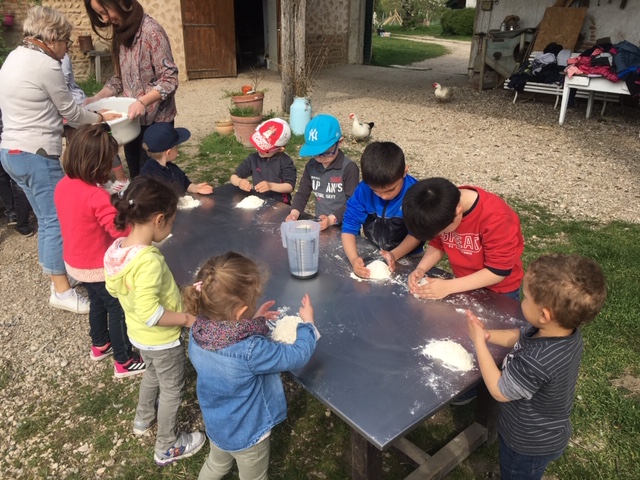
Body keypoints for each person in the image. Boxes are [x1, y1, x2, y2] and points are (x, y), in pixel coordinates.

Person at [0, 6, 120, 314]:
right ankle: (62, 291)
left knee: (45, 217)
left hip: (10, 152)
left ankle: (57, 274)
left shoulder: (13, 57)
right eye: (65, 42)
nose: (66, 49)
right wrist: (100, 118)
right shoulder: (45, 65)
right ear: (52, 38)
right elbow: (71, 111)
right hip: (37, 153)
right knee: (55, 221)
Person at [466, 254, 607, 480]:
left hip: (527, 442)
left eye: (526, 298)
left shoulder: (536, 361)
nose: (522, 301)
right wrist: (487, 335)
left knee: (517, 473)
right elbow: (519, 337)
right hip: (547, 430)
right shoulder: (564, 334)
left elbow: (499, 390)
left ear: (544, 315)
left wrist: (478, 343)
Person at [184, 252, 319, 480]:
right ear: (239, 313)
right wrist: (307, 325)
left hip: (217, 423)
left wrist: (254, 321)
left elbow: (230, 332)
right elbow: (296, 355)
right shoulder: (251, 350)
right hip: (248, 433)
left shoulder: (197, 333)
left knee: (216, 465)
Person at [104, 176, 205, 465]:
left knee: (151, 374)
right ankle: (167, 445)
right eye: (172, 222)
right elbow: (152, 313)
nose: (171, 227)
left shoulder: (117, 250)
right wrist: (186, 318)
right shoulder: (148, 260)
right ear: (159, 220)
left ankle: (142, 419)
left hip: (138, 335)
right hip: (162, 339)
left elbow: (115, 289)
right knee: (172, 388)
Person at [54, 124, 145, 377]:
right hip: (97, 266)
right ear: (97, 165)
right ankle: (124, 359)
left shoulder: (64, 184)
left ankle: (100, 343)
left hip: (74, 261)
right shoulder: (96, 196)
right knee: (117, 307)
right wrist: (135, 224)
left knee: (98, 302)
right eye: (108, 163)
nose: (111, 169)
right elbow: (118, 230)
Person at [84, 0, 180, 179]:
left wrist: (142, 102)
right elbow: (120, 79)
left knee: (154, 180)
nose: (105, 19)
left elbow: (170, 79)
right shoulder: (122, 34)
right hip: (131, 123)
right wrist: (97, 97)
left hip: (156, 121)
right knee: (137, 175)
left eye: (105, 11)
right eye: (99, 14)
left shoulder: (152, 32)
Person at [403, 177, 524, 301]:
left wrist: (448, 287)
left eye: (443, 232)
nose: (443, 235)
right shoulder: (442, 208)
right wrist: (421, 268)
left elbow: (498, 271)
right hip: (463, 283)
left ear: (458, 212)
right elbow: (438, 243)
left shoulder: (497, 218)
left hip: (499, 291)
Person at [341, 141, 422, 278]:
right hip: (374, 251)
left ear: (404, 172)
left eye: (391, 190)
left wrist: (394, 255)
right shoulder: (364, 190)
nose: (384, 196)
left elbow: (417, 233)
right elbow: (349, 226)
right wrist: (354, 259)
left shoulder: (416, 194)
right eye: (376, 191)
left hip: (411, 256)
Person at [61, 52, 130, 193]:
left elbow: (62, 82)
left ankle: (121, 180)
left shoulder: (60, 56)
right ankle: (97, 179)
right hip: (67, 112)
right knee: (79, 148)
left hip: (76, 108)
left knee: (100, 142)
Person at [285, 114, 359, 230]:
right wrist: (294, 213)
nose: (321, 157)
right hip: (321, 223)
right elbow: (302, 193)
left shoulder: (349, 168)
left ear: (339, 142)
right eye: (315, 153)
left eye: (327, 151)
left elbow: (353, 203)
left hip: (346, 226)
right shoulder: (311, 165)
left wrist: (331, 219)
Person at [229, 118, 296, 204]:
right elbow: (234, 177)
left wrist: (271, 186)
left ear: (280, 149)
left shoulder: (285, 161)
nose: (260, 150)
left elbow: (289, 186)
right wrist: (240, 182)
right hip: (259, 201)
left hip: (280, 204)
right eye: (259, 145)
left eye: (265, 148)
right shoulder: (253, 159)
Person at [140, 122, 213, 196]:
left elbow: (185, 183)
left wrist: (195, 188)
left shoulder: (171, 168)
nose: (177, 149)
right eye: (176, 147)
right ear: (168, 152)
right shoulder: (150, 175)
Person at [0, 111, 33, 237]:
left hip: (9, 136)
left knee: (4, 179)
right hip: (12, 137)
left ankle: (12, 213)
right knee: (17, 182)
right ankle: (21, 221)